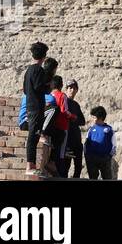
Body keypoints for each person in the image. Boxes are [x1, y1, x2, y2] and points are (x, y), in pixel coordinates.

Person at [22, 42, 53, 176]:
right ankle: (30, 165)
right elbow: (40, 87)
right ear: (44, 56)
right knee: (33, 137)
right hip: (36, 108)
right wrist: (48, 86)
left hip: (31, 106)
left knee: (34, 135)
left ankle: (32, 165)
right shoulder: (38, 70)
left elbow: (25, 89)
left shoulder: (29, 70)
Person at [45, 75, 74, 177]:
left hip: (51, 126)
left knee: (50, 147)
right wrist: (73, 116)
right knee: (61, 152)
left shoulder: (48, 96)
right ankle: (60, 175)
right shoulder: (62, 96)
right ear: (61, 85)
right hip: (62, 126)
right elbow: (64, 111)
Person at [83, 107, 115, 180]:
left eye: (94, 117)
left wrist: (109, 156)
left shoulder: (109, 129)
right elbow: (86, 144)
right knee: (93, 178)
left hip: (105, 158)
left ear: (100, 118)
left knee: (107, 178)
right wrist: (87, 156)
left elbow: (114, 144)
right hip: (92, 158)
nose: (92, 119)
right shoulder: (91, 129)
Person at [62, 80, 84, 179]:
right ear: (66, 89)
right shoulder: (63, 101)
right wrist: (73, 118)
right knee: (65, 167)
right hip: (67, 140)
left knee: (78, 167)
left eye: (74, 88)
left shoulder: (76, 104)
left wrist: (73, 117)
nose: (72, 90)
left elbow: (82, 121)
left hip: (76, 139)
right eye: (70, 88)